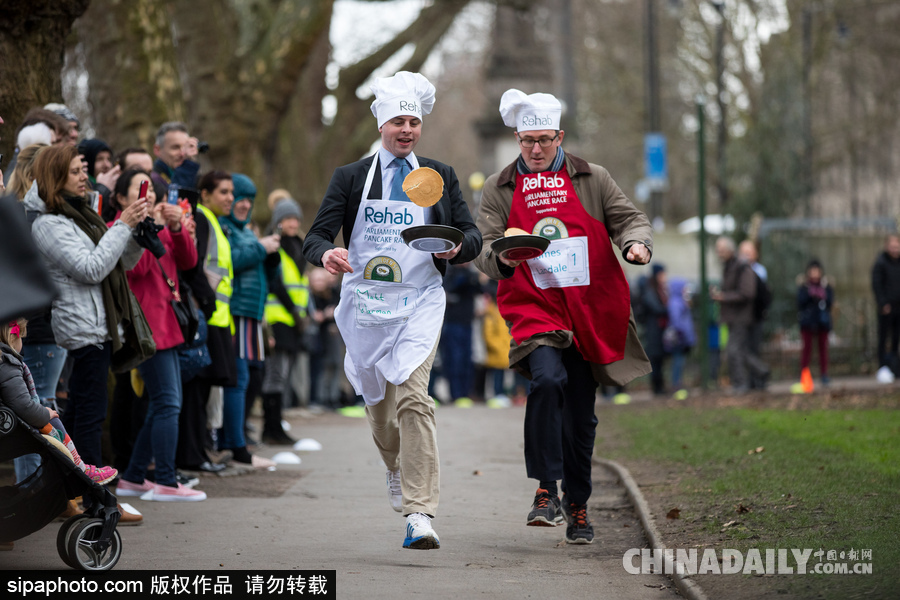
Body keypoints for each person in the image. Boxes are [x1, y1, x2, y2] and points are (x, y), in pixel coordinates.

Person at [303, 71, 482, 550]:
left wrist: (457, 248)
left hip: (420, 303)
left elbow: (471, 233)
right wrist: (327, 254)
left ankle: (419, 511)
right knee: (382, 413)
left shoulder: (439, 176)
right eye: (398, 121)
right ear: (382, 123)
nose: (407, 129)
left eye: (414, 122)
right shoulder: (352, 177)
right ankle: (396, 469)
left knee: (414, 399)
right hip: (366, 307)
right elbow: (316, 235)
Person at [473, 89, 652, 545]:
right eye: (527, 140)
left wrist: (636, 244)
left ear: (560, 137)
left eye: (545, 140)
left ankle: (578, 504)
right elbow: (486, 249)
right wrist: (506, 257)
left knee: (580, 416)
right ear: (516, 137)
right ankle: (544, 490)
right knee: (547, 380)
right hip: (534, 307)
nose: (535, 149)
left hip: (587, 308)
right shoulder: (498, 187)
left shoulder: (593, 177)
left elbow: (629, 219)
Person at [26, 144, 148, 467]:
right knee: (90, 414)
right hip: (83, 328)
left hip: (99, 324)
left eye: (84, 170)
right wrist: (122, 225)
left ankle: (78, 489)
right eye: (77, 171)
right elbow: (91, 268)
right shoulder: (48, 224)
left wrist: (135, 235)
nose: (85, 177)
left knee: (82, 409)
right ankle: (96, 494)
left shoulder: (80, 214)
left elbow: (120, 264)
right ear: (56, 176)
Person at [107, 169, 206, 501]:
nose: (147, 194)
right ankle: (164, 479)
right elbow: (137, 269)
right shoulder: (117, 230)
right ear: (121, 198)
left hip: (167, 324)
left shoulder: (157, 226)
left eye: (150, 189)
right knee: (167, 404)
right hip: (145, 326)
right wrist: (137, 228)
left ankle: (134, 477)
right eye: (139, 188)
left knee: (161, 404)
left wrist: (176, 228)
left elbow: (188, 261)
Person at [0, 319, 117, 484]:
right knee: (52, 419)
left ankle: (77, 470)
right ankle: (80, 470)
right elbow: (24, 406)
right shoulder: (7, 365)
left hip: (8, 424)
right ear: (13, 339)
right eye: (22, 339)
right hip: (9, 430)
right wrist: (44, 413)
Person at [176, 170, 238, 473]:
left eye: (231, 192)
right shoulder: (201, 218)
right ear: (205, 195)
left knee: (203, 390)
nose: (230, 198)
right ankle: (192, 456)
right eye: (224, 192)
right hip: (206, 316)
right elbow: (194, 264)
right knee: (197, 389)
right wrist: (208, 301)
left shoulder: (214, 222)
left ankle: (197, 452)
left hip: (217, 317)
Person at [218, 174, 280, 466]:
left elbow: (260, 273)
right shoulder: (225, 227)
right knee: (239, 380)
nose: (243, 205)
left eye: (248, 201)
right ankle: (236, 446)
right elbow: (230, 261)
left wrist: (270, 257)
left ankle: (237, 440)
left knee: (247, 379)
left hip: (252, 315)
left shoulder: (244, 231)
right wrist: (261, 248)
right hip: (236, 312)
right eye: (239, 198)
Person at [262, 195, 308, 442]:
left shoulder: (299, 246)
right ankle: (271, 428)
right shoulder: (277, 246)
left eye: (295, 218)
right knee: (275, 375)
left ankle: (275, 426)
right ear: (279, 221)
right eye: (288, 218)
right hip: (278, 318)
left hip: (293, 320)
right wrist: (292, 309)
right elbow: (276, 283)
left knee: (282, 375)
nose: (292, 223)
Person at [711, 236, 769, 393]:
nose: (719, 253)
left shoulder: (742, 267)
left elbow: (747, 293)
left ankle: (740, 384)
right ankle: (761, 370)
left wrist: (724, 296)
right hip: (731, 316)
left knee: (733, 351)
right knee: (740, 350)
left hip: (741, 317)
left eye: (721, 250)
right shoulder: (729, 266)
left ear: (730, 250)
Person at [440, 262, 482, 405]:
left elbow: (480, 290)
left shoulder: (470, 274)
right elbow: (450, 288)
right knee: (454, 360)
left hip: (467, 322)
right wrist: (464, 276)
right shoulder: (449, 272)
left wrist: (472, 277)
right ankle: (456, 394)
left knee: (467, 360)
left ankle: (466, 393)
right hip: (452, 323)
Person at [738, 239, 770, 389]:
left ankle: (759, 380)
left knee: (754, 349)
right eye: (743, 253)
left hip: (756, 317)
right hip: (743, 318)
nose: (745, 256)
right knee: (744, 350)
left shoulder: (759, 271)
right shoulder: (738, 270)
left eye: (748, 253)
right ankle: (751, 380)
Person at [797, 259, 833, 385]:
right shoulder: (804, 287)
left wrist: (822, 295)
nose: (815, 274)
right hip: (808, 322)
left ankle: (824, 374)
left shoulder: (826, 286)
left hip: (822, 322)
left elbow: (830, 303)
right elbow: (800, 303)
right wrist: (810, 295)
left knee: (823, 349)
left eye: (817, 271)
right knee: (807, 349)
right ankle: (804, 376)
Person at [871, 234, 900, 383]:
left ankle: (895, 368)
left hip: (898, 308)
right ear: (887, 246)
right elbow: (877, 284)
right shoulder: (880, 263)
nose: (895, 250)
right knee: (884, 339)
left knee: (896, 339)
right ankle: (882, 367)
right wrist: (883, 303)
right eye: (893, 246)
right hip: (886, 308)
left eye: (897, 246)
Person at [639, 264, 669, 395]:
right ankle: (657, 388)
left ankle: (660, 386)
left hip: (660, 330)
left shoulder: (660, 290)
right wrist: (669, 308)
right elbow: (656, 309)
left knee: (660, 360)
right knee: (655, 359)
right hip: (653, 331)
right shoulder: (650, 291)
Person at [665, 278, 696, 395]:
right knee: (677, 362)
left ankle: (678, 383)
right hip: (678, 339)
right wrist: (683, 333)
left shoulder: (681, 302)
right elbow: (676, 321)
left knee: (680, 362)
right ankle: (675, 384)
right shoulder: (675, 303)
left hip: (683, 338)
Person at [151, 122, 201, 192]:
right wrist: (187, 167)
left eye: (185, 147)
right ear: (157, 150)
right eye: (175, 147)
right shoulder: (153, 180)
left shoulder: (193, 175)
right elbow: (178, 198)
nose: (183, 154)